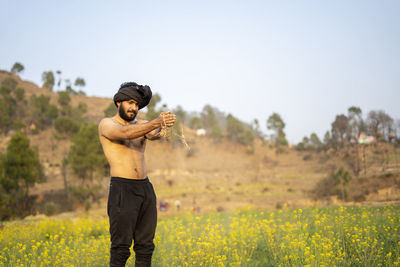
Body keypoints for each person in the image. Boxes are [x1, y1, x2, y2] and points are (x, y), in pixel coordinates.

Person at [98, 82, 176, 267]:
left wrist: (164, 127)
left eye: (137, 105)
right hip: (122, 190)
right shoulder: (107, 124)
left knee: (145, 247)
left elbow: (153, 134)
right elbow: (125, 133)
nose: (134, 108)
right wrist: (156, 122)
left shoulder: (142, 124)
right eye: (131, 102)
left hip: (145, 189)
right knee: (120, 248)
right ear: (119, 102)